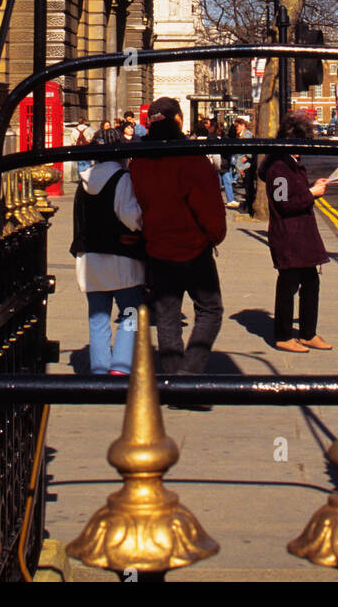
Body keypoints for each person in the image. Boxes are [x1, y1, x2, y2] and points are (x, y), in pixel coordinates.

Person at [128, 96, 226, 395]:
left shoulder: (140, 161)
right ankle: (189, 373)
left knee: (168, 315)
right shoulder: (191, 159)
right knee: (210, 310)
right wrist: (214, 236)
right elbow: (209, 206)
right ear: (179, 120)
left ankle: (171, 379)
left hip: (157, 248)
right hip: (193, 247)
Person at [258, 110, 338, 353]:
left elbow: (293, 195)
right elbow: (284, 203)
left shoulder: (289, 163)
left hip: (300, 234)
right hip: (289, 236)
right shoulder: (279, 168)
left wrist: (313, 187)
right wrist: (311, 193)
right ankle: (283, 335)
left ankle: (308, 333)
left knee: (311, 283)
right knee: (288, 284)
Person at [70, 135, 146, 376]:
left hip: (91, 261)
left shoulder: (84, 181)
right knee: (131, 312)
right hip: (121, 259)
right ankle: (121, 366)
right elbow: (131, 217)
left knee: (98, 317)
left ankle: (100, 369)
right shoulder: (122, 179)